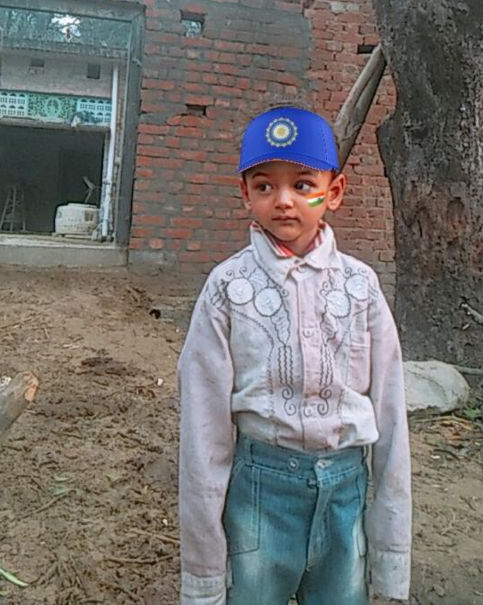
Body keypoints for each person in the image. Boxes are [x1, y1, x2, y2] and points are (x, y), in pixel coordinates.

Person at [178, 105, 411, 605]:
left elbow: (391, 411)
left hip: (346, 491)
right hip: (259, 493)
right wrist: (203, 572)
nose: (284, 200)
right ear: (245, 194)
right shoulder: (228, 288)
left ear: (335, 192)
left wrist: (391, 555)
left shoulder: (360, 287)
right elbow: (202, 426)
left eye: (303, 185)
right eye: (265, 186)